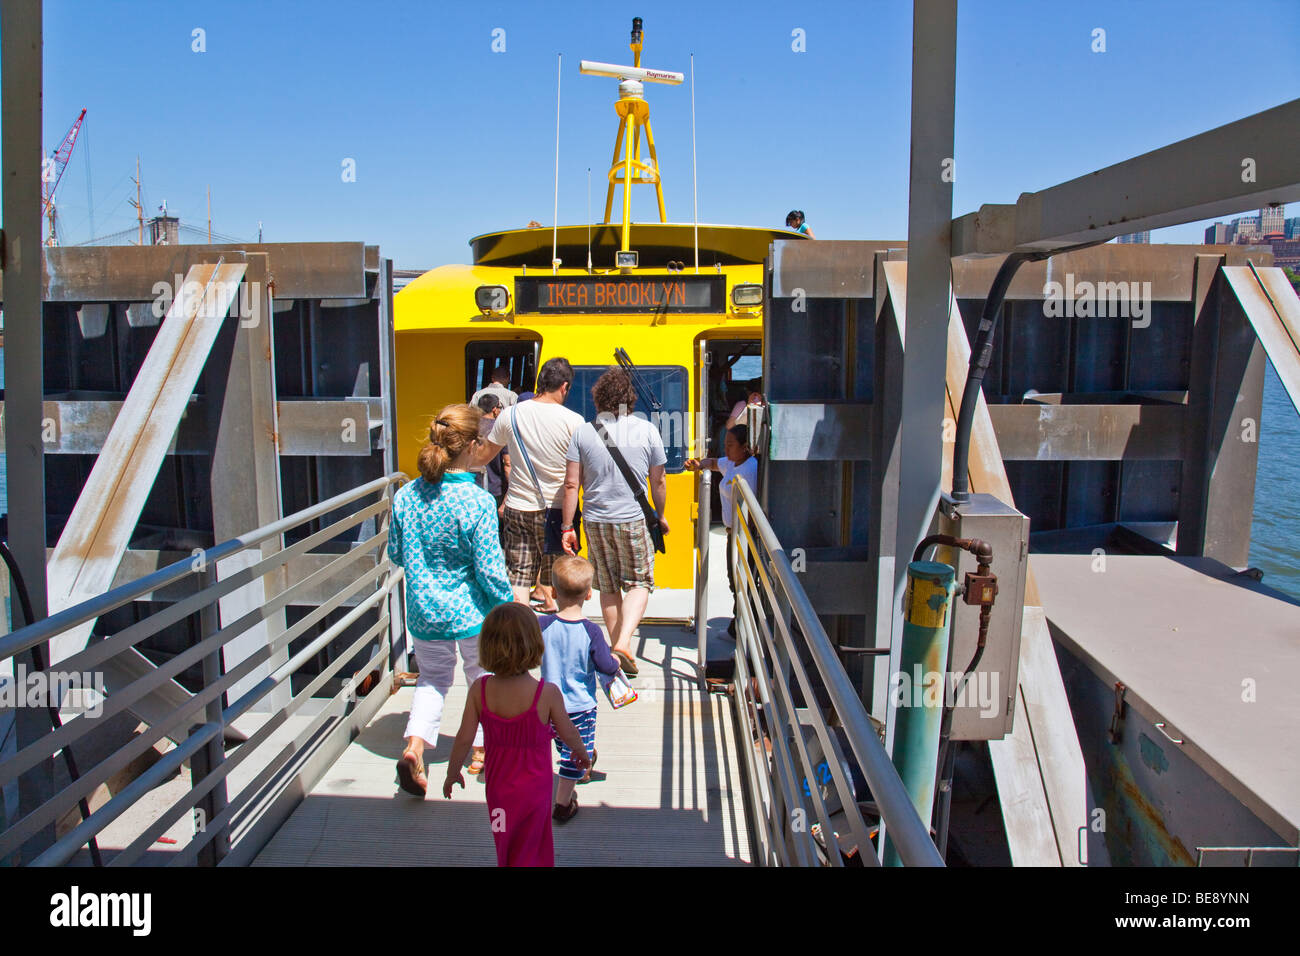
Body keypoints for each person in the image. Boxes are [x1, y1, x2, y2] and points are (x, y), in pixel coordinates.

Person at [389, 404, 514, 795]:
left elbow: (396, 554)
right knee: (483, 680)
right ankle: (481, 750)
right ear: (475, 446)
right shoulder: (476, 502)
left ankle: (414, 747)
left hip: (425, 612)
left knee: (431, 680)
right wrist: (508, 606)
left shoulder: (406, 496)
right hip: (473, 614)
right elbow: (490, 570)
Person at [443, 602, 590, 867]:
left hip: (498, 793)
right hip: (536, 792)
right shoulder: (546, 693)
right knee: (534, 846)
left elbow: (464, 737)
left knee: (505, 843)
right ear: (534, 644)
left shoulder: (480, 690)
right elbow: (568, 732)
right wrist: (581, 752)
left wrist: (452, 772)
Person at [560, 368, 668, 676]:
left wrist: (568, 526)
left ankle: (618, 647)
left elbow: (571, 484)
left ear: (598, 398)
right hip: (633, 518)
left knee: (607, 586)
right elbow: (658, 480)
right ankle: (622, 644)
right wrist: (659, 515)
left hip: (594, 520)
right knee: (640, 582)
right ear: (629, 398)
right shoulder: (646, 430)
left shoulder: (583, 431)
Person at [476, 357, 584, 615]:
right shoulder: (575, 422)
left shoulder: (510, 415)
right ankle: (561, 634)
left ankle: (521, 637)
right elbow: (577, 478)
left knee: (519, 577)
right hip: (559, 512)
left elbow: (483, 456)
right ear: (564, 387)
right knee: (562, 578)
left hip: (519, 507)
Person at [539, 556, 621, 822]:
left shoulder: (543, 625)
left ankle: (582, 756)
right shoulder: (591, 631)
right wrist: (616, 660)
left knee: (563, 744)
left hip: (548, 706)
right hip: (580, 706)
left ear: (553, 591)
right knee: (572, 756)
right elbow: (605, 666)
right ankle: (563, 803)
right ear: (589, 594)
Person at [684, 424, 757, 638]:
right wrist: (699, 465)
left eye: (730, 445)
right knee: (733, 579)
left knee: (740, 582)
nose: (726, 448)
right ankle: (738, 626)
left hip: (744, 536)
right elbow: (715, 463)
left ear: (745, 447)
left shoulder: (750, 469)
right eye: (725, 444)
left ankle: (740, 629)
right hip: (732, 533)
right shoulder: (734, 462)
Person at [475, 393, 510, 519]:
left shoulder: (470, 427)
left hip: (473, 485)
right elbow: (508, 464)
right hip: (495, 488)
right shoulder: (499, 429)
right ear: (494, 409)